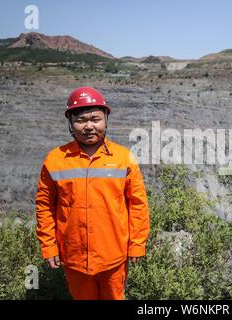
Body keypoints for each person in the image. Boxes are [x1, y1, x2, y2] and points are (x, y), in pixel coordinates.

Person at [35, 86, 150, 300]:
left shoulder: (124, 158)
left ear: (106, 119)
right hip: (74, 258)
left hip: (114, 256)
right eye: (80, 120)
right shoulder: (54, 160)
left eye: (95, 119)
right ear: (70, 122)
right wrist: (49, 247)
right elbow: (45, 206)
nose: (89, 126)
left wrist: (137, 244)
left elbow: (138, 204)